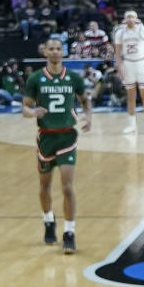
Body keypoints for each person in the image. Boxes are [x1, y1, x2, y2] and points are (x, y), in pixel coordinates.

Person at [22, 38, 92, 254]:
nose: (54, 52)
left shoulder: (73, 78)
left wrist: (89, 117)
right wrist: (33, 113)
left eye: (58, 49)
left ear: (63, 52)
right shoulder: (35, 78)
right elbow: (25, 108)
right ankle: (48, 219)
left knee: (67, 187)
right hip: (45, 137)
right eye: (50, 49)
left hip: (67, 137)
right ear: (45, 52)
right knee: (44, 186)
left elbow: (85, 100)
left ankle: (69, 232)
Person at [113, 10, 144, 135]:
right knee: (130, 96)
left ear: (136, 18)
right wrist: (120, 67)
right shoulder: (120, 32)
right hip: (128, 64)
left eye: (132, 16)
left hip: (142, 63)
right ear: (125, 19)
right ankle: (132, 125)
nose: (130, 19)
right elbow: (117, 52)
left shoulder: (143, 30)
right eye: (128, 17)